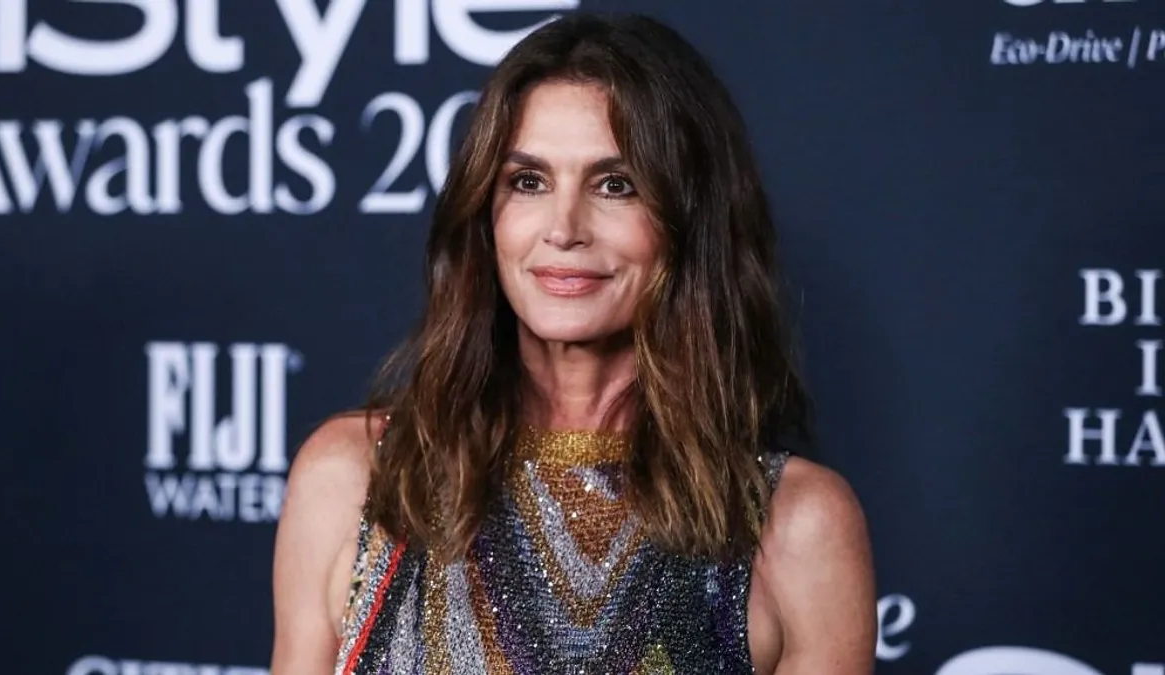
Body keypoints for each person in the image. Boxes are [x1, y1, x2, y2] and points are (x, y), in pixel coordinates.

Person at [270, 11, 876, 675]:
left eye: (616, 185)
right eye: (528, 181)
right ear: (485, 214)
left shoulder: (796, 526)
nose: (564, 228)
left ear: (690, 219)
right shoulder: (359, 477)